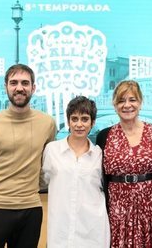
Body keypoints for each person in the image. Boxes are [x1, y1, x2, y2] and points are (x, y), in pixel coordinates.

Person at [0, 64, 56, 248]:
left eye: (25, 83)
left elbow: (48, 166)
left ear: (33, 88)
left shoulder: (48, 124)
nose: (19, 88)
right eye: (14, 82)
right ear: (6, 87)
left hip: (31, 210)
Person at [96, 80, 152, 248]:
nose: (127, 105)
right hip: (117, 212)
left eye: (132, 100)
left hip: (150, 210)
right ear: (114, 104)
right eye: (121, 100)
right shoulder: (104, 136)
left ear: (140, 102)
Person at [42, 96, 110, 248]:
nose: (79, 124)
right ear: (68, 121)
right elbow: (45, 180)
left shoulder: (100, 154)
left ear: (92, 123)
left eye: (85, 119)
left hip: (93, 231)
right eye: (74, 119)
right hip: (60, 232)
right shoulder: (52, 150)